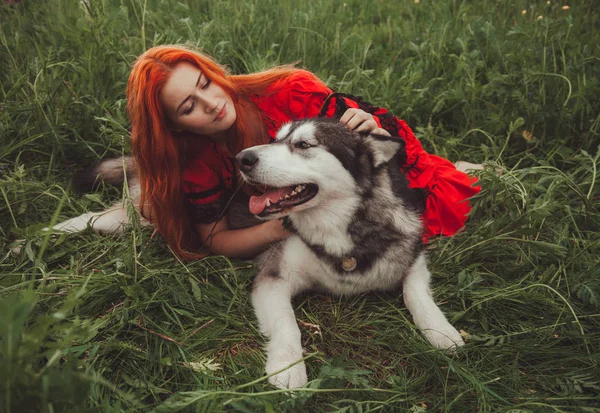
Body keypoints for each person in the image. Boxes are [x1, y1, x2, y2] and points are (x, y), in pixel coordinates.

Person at [126, 45, 480, 260]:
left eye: (206, 83)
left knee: (423, 203)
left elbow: (363, 159)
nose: (213, 103)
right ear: (175, 127)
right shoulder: (196, 163)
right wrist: (279, 229)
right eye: (190, 106)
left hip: (361, 177)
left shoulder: (288, 95)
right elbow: (215, 239)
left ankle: (462, 168)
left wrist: (369, 126)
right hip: (295, 205)